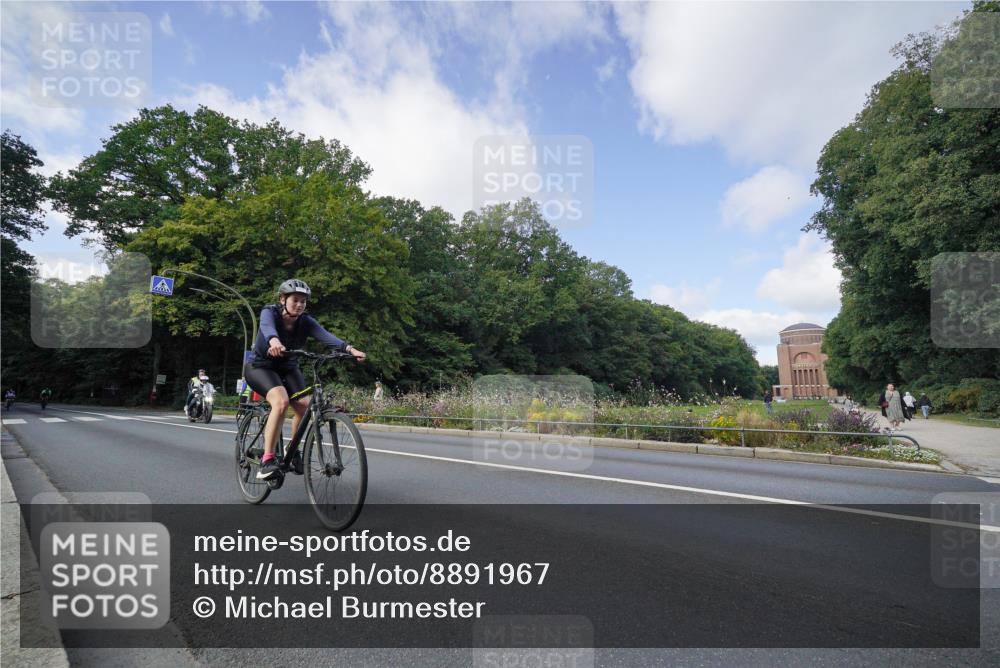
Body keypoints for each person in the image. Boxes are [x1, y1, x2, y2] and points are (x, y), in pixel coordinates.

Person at [244, 279, 366, 480]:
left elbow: (326, 336)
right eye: (295, 300)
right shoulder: (270, 312)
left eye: (303, 301)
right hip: (261, 367)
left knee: (304, 406)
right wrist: (274, 341)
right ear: (282, 299)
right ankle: (267, 460)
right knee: (281, 402)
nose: (300, 304)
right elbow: (267, 328)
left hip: (288, 368)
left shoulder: (305, 321)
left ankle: (293, 449)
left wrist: (351, 350)